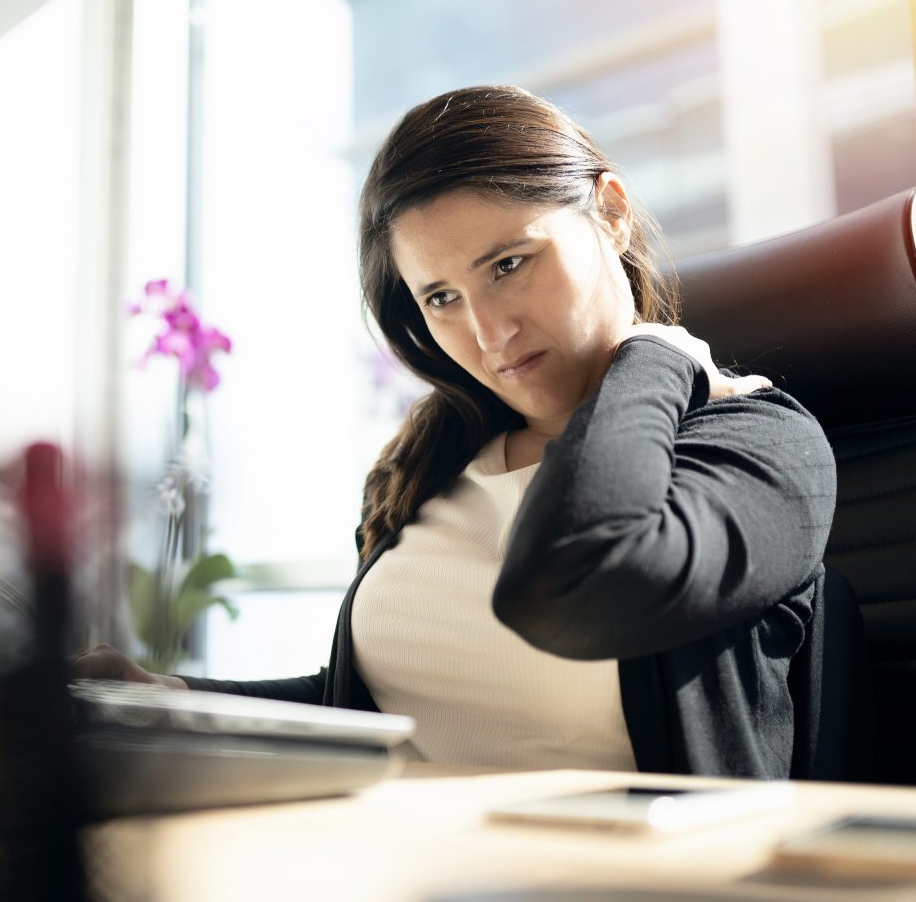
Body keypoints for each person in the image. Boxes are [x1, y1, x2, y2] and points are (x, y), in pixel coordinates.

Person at [75, 85, 871, 781]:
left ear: (613, 212)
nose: (489, 332)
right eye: (442, 299)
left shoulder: (766, 444)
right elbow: (391, 708)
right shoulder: (432, 464)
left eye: (509, 265)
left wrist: (653, 352)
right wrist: (169, 700)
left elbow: (580, 584)